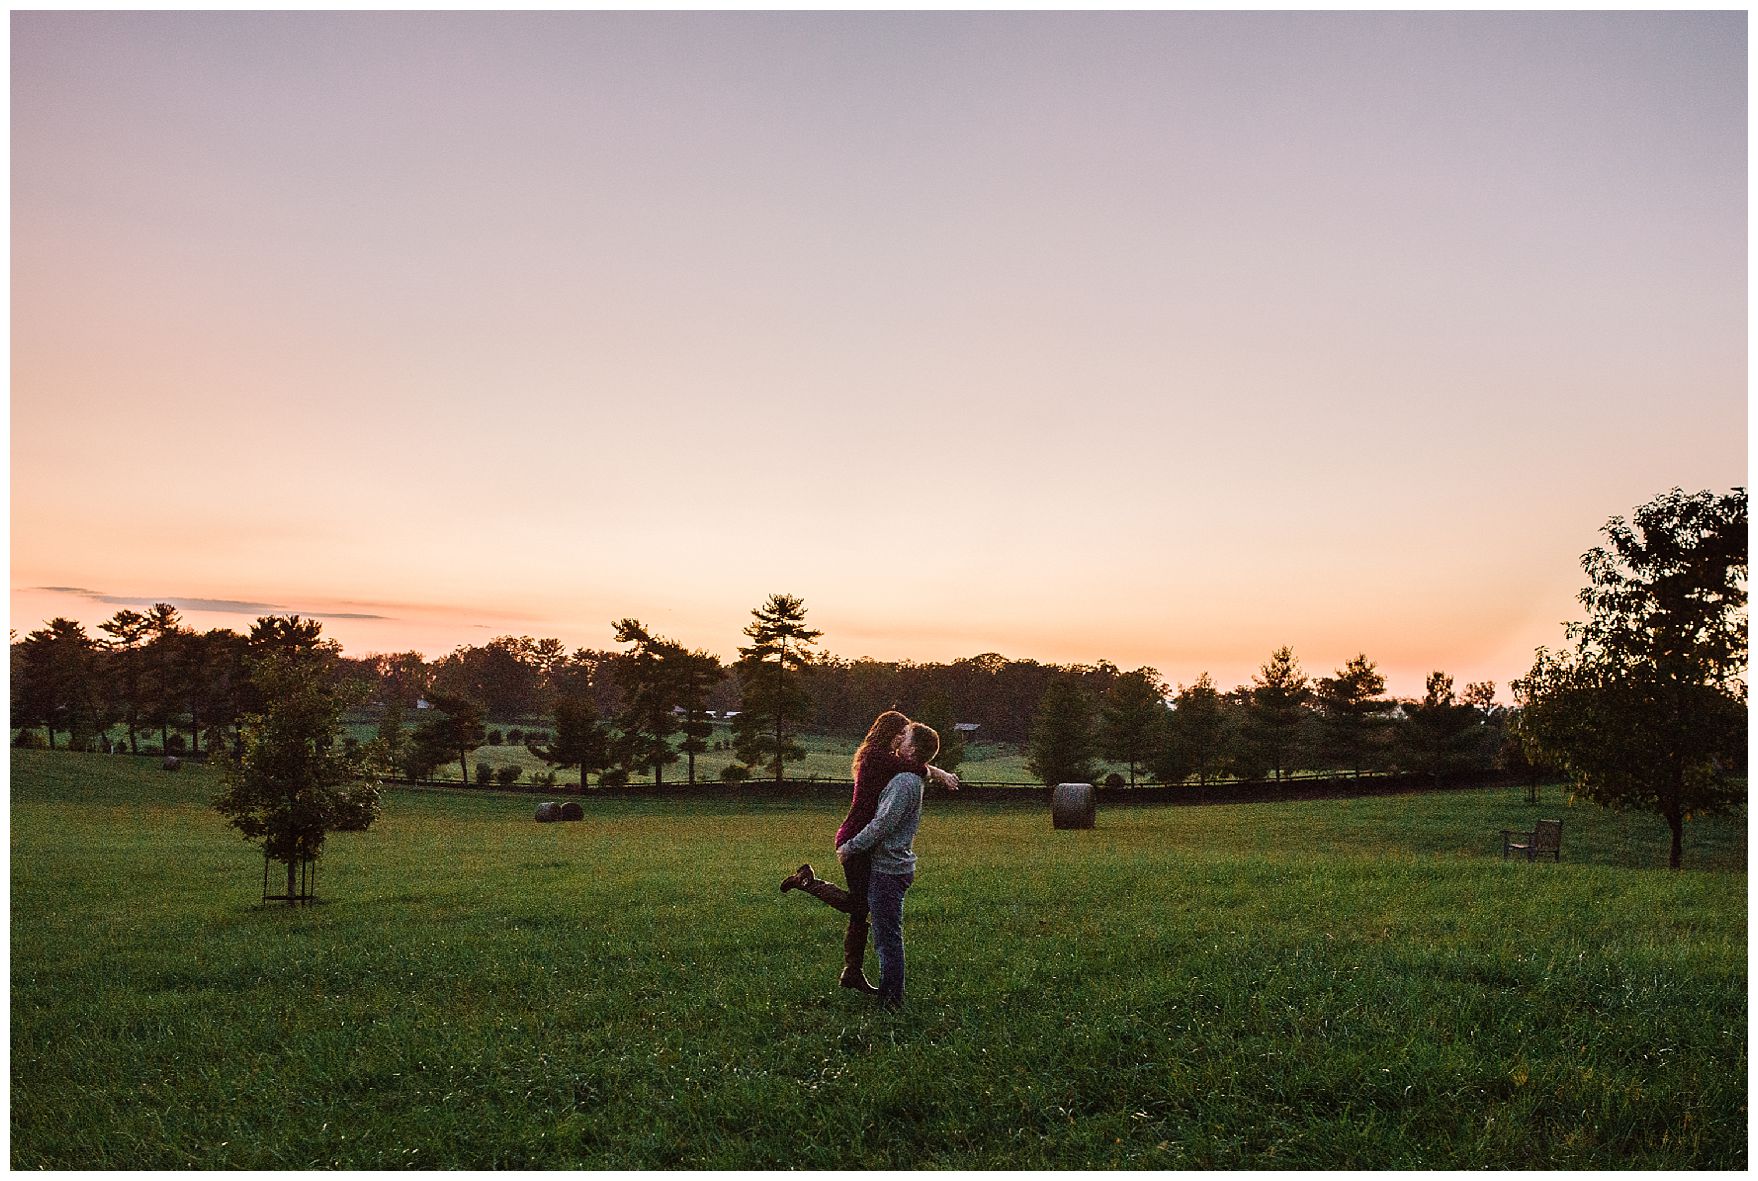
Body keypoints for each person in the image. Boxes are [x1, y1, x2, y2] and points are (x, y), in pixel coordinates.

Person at [780, 710, 957, 993]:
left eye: (905, 734)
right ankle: (807, 883)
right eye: (899, 732)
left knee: (859, 909)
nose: (901, 737)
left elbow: (915, 764)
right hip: (856, 838)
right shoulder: (875, 756)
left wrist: (933, 769)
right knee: (859, 906)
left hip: (862, 839)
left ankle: (852, 971)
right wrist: (939, 772)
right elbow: (916, 767)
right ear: (888, 732)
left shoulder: (888, 761)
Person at [835, 721, 938, 1009]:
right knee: (877, 927)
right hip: (892, 865)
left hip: (888, 869)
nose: (899, 739)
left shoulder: (904, 782)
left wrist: (851, 847)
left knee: (887, 939)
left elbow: (881, 825)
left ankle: (891, 1001)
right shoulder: (901, 773)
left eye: (904, 737)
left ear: (912, 749)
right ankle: (860, 976)